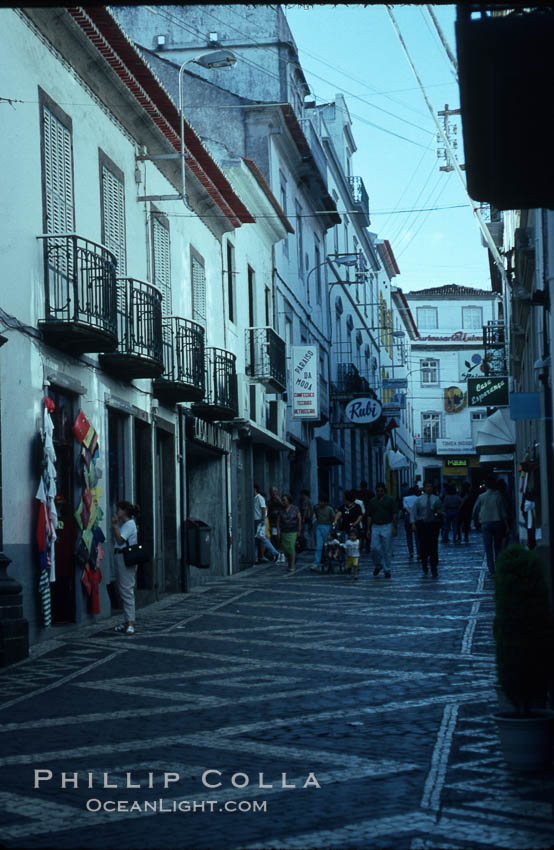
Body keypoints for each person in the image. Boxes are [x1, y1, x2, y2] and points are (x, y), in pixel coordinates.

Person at [112, 500, 140, 635]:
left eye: (119, 509)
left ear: (124, 511)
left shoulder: (129, 524)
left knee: (126, 590)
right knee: (123, 590)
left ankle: (130, 622)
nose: (117, 511)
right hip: (120, 557)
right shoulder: (126, 524)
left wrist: (115, 525)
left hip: (125, 558)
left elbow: (120, 540)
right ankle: (127, 620)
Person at [472, 475, 509, 575]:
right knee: (497, 547)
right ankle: (498, 565)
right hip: (498, 522)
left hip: (485, 523)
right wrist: (507, 525)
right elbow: (503, 512)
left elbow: (475, 510)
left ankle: (491, 569)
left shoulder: (481, 496)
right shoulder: (499, 496)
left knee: (488, 548)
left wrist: (476, 521)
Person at [366, 482, 398, 579]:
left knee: (387, 549)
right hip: (375, 526)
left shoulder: (390, 500)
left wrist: (394, 527)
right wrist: (368, 528)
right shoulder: (372, 501)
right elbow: (369, 516)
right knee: (374, 548)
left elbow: (395, 514)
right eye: (378, 491)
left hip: (387, 525)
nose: (379, 492)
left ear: (385, 491)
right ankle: (378, 564)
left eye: (381, 491)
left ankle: (387, 569)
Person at [412, 482, 444, 578]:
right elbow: (414, 512)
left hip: (433, 524)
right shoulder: (419, 500)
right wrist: (414, 523)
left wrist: (439, 513)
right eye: (427, 487)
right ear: (424, 488)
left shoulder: (436, 499)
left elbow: (441, 511)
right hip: (422, 525)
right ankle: (424, 563)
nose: (429, 488)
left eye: (431, 486)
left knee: (434, 546)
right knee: (423, 546)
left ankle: (434, 567)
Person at [254, 485, 279, 563]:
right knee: (256, 539)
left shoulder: (259, 498)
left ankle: (275, 552)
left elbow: (263, 508)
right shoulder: (254, 498)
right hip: (256, 520)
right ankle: (255, 558)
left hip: (260, 520)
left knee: (262, 538)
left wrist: (262, 519)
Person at [277, 493, 302, 573]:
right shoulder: (281, 510)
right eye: (282, 500)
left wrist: (299, 530)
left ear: (289, 500)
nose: (283, 502)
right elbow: (278, 521)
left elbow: (299, 519)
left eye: (284, 500)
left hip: (293, 531)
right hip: (284, 531)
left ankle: (292, 565)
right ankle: (290, 562)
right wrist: (278, 531)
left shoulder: (295, 509)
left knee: (291, 547)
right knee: (286, 549)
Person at [311, 493, 335, 572]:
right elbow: (314, 513)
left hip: (327, 527)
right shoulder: (317, 508)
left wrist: (332, 529)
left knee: (327, 546)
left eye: (322, 502)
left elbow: (333, 518)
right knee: (318, 546)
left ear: (326, 502)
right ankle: (316, 562)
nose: (320, 503)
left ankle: (327, 561)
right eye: (319, 501)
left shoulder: (330, 509)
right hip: (319, 526)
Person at [267, 487, 285, 564]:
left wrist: (279, 501)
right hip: (273, 523)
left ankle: (282, 555)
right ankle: (276, 554)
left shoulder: (280, 500)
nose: (274, 493)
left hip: (281, 523)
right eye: (272, 491)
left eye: (275, 491)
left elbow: (284, 508)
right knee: (274, 538)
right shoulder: (269, 501)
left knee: (280, 539)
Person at [402, 485, 420, 560]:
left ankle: (411, 552)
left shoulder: (405, 498)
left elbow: (405, 508)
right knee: (417, 536)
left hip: (407, 517)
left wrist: (410, 513)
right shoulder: (418, 498)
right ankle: (419, 552)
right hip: (417, 517)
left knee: (409, 535)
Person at [357, 481, 374, 552]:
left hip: (361, 514)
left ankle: (360, 546)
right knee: (368, 529)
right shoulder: (371, 493)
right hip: (368, 513)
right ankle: (367, 546)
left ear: (360, 486)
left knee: (361, 530)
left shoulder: (358, 494)